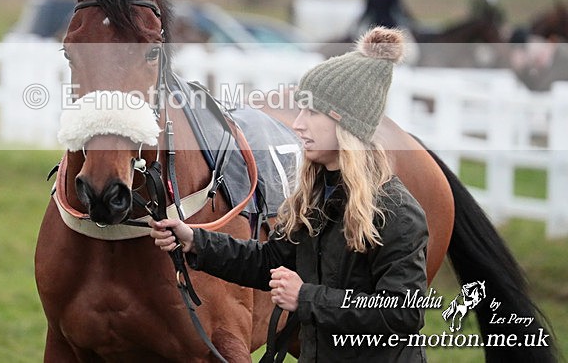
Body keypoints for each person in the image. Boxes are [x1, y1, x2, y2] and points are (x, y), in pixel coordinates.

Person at [150, 27, 429, 362]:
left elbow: (404, 313)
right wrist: (194, 241)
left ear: (346, 125)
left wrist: (306, 297)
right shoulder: (314, 199)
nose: (297, 124)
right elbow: (267, 262)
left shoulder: (396, 212)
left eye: (311, 112)